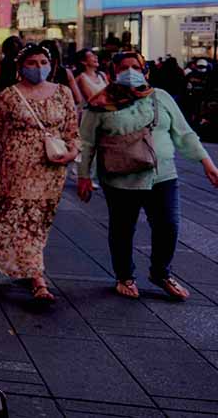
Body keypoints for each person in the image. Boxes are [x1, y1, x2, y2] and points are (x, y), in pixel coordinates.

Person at [78, 52, 218, 301]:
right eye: (123, 68)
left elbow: (184, 134)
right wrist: (84, 177)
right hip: (119, 178)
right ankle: (125, 277)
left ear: (145, 71)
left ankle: (161, 273)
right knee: (122, 229)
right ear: (112, 73)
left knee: (169, 226)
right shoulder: (100, 104)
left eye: (135, 67)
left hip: (162, 175)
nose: (130, 72)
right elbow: (87, 143)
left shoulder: (160, 97)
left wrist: (207, 163)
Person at [0, 44, 79, 303]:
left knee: (39, 218)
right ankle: (36, 277)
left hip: (52, 167)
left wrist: (72, 154)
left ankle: (28, 267)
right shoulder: (9, 95)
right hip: (17, 166)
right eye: (32, 63)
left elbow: (73, 131)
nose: (38, 68)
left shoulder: (63, 93)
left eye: (42, 62)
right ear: (20, 67)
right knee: (16, 214)